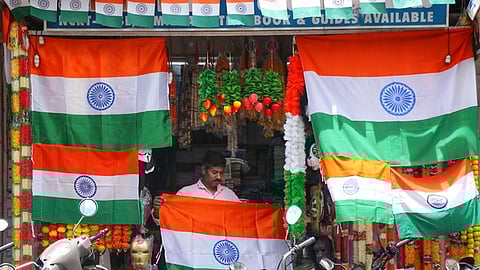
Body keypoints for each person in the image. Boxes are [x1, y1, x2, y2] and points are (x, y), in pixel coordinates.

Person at [152, 150, 239, 219]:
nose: (219, 177)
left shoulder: (229, 195)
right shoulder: (186, 194)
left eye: (221, 173)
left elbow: (240, 218)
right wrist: (157, 209)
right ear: (204, 170)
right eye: (214, 172)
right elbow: (169, 218)